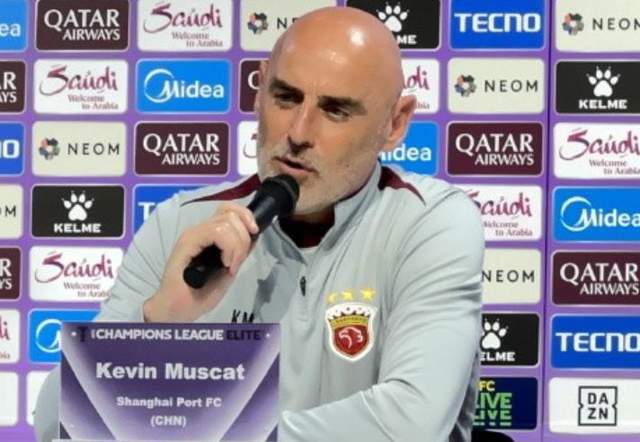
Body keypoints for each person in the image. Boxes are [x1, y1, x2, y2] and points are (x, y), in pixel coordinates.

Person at [35, 6, 484, 442]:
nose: (299, 132)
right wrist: (159, 320)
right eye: (285, 97)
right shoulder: (181, 224)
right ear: (259, 89)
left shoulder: (429, 223)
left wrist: (204, 435)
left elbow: (410, 424)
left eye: (335, 110)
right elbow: (56, 424)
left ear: (395, 124)